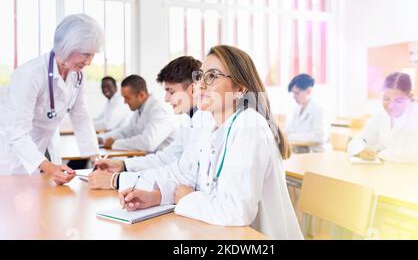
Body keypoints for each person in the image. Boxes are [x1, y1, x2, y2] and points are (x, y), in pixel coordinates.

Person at [118, 45, 303, 240]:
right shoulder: (211, 127)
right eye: (200, 77)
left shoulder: (250, 126)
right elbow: (193, 180)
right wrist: (156, 197)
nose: (201, 85)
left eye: (212, 76)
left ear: (240, 88)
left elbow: (235, 211)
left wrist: (188, 199)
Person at [0, 14, 103, 184]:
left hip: (48, 148)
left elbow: (81, 115)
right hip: (15, 157)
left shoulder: (77, 75)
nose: (89, 62)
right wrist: (50, 167)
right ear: (67, 47)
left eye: (93, 55)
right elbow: (17, 134)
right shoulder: (29, 75)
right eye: (86, 54)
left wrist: (95, 158)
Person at [89, 56, 215, 190]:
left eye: (171, 91)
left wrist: (117, 180)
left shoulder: (206, 122)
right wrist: (123, 165)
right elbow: (167, 158)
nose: (166, 99)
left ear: (193, 89)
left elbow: (182, 173)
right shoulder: (189, 119)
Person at [348, 72, 418, 168]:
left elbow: (414, 155)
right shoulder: (381, 116)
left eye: (398, 100)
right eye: (386, 99)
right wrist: (360, 150)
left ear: (410, 97)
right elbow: (358, 139)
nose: (391, 105)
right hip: (395, 170)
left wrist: (377, 152)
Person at [97, 75, 177, 152]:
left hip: (165, 162)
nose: (124, 102)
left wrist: (115, 144)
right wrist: (102, 139)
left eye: (127, 98)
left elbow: (147, 143)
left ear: (141, 95)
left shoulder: (159, 110)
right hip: (150, 159)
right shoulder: (140, 109)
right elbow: (127, 132)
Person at [286, 74, 331, 153]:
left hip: (315, 154)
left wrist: (292, 137)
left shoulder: (319, 109)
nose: (294, 96)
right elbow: (290, 130)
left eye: (297, 93)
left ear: (308, 91)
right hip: (299, 151)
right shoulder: (298, 109)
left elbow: (319, 136)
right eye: (293, 93)